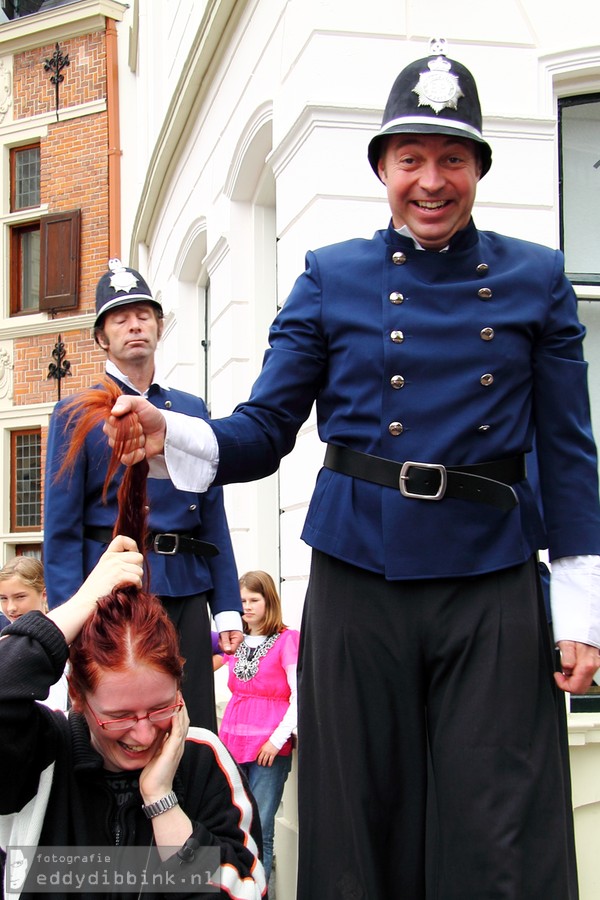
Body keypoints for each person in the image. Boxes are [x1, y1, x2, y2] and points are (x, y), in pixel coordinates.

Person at [103, 39, 600, 899]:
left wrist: (582, 608)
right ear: (383, 168)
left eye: (453, 159)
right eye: (412, 159)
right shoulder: (331, 277)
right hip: (360, 572)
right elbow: (263, 431)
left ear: (478, 167)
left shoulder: (538, 278)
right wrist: (172, 430)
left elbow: (567, 452)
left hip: (492, 579)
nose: (432, 181)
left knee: (500, 820)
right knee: (357, 814)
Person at [0, 535, 267, 900]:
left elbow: (245, 893)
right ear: (77, 696)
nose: (142, 735)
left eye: (160, 708)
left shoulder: (203, 759)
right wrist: (80, 603)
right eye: (119, 716)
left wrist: (162, 802)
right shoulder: (37, 754)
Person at [44, 259, 243, 729]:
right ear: (102, 337)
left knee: (191, 727)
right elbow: (62, 531)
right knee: (121, 726)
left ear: (158, 325)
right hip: (113, 593)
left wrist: (228, 605)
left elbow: (211, 512)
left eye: (144, 315)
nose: (135, 325)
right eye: (120, 317)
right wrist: (70, 615)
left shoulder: (191, 410)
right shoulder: (75, 413)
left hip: (189, 590)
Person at [215, 571, 299, 883]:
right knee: (234, 824)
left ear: (269, 601)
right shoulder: (235, 641)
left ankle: (260, 891)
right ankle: (237, 888)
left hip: (268, 748)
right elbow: (195, 659)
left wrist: (277, 741)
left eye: (254, 600)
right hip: (233, 743)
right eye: (242, 601)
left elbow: (299, 695)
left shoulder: (287, 640)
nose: (247, 606)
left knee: (261, 826)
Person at [0, 557, 68, 711]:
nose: (11, 608)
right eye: (3, 598)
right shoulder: (3, 643)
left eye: (20, 597)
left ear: (44, 594)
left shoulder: (66, 638)